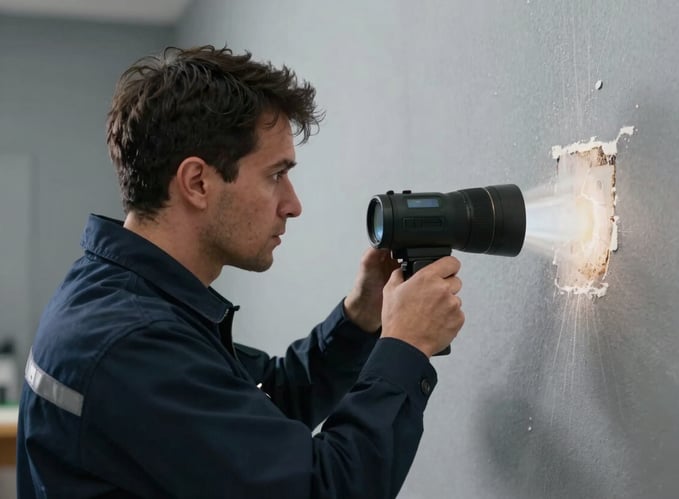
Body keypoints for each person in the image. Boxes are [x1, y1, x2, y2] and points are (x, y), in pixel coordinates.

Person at [16, 45, 464, 498]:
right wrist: (405, 348)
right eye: (276, 175)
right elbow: (322, 489)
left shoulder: (116, 294)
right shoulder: (133, 344)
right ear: (197, 183)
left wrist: (359, 317)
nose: (293, 205)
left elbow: (265, 398)